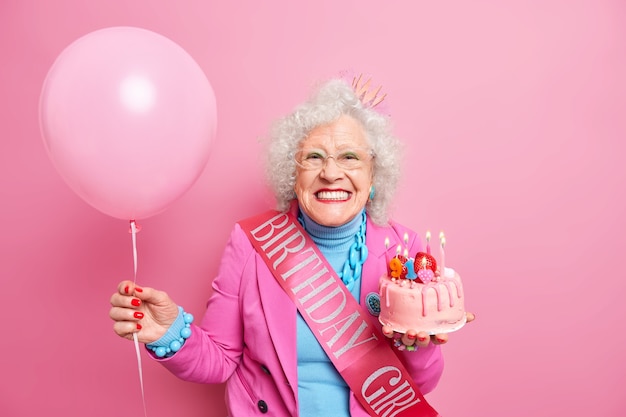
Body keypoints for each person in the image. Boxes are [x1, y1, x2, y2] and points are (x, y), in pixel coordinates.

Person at [109, 75, 475, 416]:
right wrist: (170, 332)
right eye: (314, 157)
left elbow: (416, 387)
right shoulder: (251, 243)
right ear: (292, 173)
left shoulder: (405, 251)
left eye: (350, 156)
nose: (331, 173)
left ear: (373, 175)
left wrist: (422, 344)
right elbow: (219, 360)